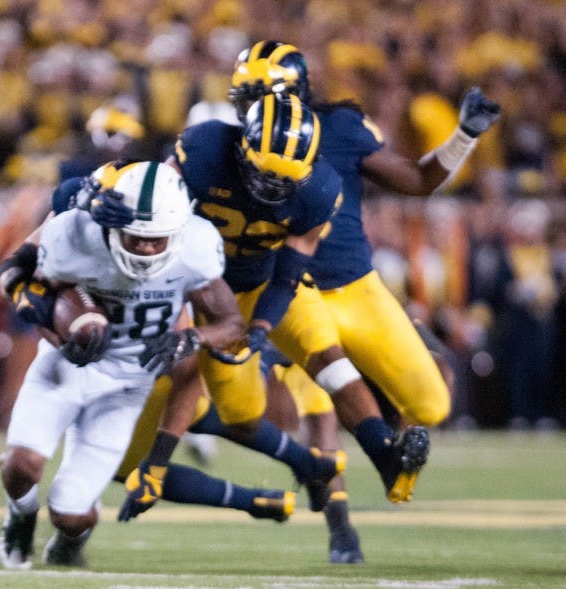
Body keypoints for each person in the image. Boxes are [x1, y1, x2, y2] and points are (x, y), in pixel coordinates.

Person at [226, 40, 502, 562]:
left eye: (255, 96)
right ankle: (340, 529)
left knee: (432, 404)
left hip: (356, 287)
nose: (244, 110)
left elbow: (418, 181)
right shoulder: (230, 142)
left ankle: (391, 458)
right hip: (291, 289)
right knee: (321, 408)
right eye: (242, 98)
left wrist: (464, 135)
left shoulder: (342, 130)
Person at [108, 95, 431, 536]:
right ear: (242, 146)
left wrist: (262, 326)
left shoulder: (319, 189)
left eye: (284, 182)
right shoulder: (203, 151)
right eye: (262, 173)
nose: (269, 189)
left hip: (267, 280)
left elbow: (289, 273)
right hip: (205, 289)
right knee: (241, 414)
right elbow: (156, 208)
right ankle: (307, 465)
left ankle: (386, 456)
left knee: (327, 356)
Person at [0, 161, 251, 569]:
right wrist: (61, 334)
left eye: (157, 240)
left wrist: (192, 338)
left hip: (127, 387)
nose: (147, 248)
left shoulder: (196, 250)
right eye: (136, 237)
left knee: (71, 513)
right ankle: (20, 515)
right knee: (19, 465)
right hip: (67, 368)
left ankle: (70, 539)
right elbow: (36, 291)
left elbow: (232, 323)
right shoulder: (76, 236)